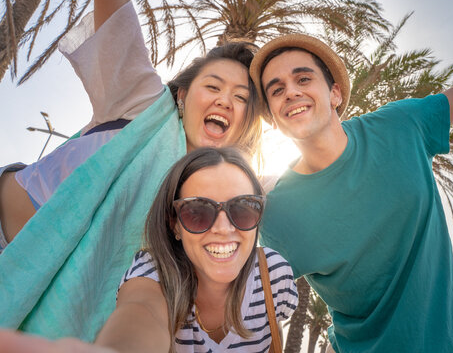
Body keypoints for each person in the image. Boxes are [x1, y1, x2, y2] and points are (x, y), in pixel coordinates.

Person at [249, 33, 453, 353]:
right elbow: (244, 305)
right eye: (276, 90)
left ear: (334, 93)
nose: (291, 91)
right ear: (272, 119)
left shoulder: (400, 126)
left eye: (303, 78)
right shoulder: (279, 215)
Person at [0, 0, 262, 341]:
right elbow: (114, 5)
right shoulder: (142, 102)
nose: (224, 100)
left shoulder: (220, 202)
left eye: (241, 97)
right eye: (213, 86)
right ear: (181, 96)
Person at [0, 147, 298, 353]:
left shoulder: (275, 275)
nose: (223, 227)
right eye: (198, 211)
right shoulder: (153, 270)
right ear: (175, 225)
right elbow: (141, 310)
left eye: (243, 208)